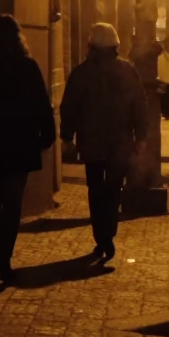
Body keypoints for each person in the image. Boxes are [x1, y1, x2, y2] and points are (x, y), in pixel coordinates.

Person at [0, 15, 55, 281]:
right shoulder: (27, 66)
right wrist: (47, 135)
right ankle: (5, 254)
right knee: (13, 200)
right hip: (20, 142)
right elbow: (42, 103)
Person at [60, 22, 147, 260]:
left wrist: (67, 136)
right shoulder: (127, 71)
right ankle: (108, 233)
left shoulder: (81, 73)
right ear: (115, 45)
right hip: (120, 142)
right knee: (114, 189)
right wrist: (141, 137)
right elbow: (140, 105)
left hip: (92, 143)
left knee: (96, 189)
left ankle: (101, 236)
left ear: (91, 45)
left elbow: (70, 107)